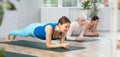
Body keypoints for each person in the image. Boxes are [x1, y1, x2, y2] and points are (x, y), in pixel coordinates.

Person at [5, 16, 71, 49]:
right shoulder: (50, 28)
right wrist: (62, 45)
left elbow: (61, 44)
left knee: (21, 32)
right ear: (59, 24)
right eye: (66, 26)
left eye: (69, 27)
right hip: (33, 29)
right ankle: (9, 33)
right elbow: (48, 45)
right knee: (22, 33)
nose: (67, 29)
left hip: (41, 26)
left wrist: (63, 45)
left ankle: (15, 34)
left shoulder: (63, 30)